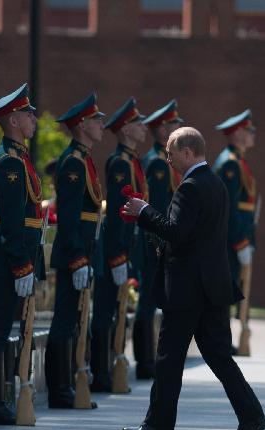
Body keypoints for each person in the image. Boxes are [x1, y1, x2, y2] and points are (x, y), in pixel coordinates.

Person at [120, 127, 265, 430]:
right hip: (212, 285)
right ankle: (251, 415)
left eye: (171, 153)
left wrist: (143, 211)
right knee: (217, 355)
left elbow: (176, 232)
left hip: (187, 288)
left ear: (188, 152)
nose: (168, 159)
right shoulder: (215, 183)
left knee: (169, 356)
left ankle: (159, 422)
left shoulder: (190, 187)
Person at [0, 83, 42, 425]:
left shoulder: (19, 157)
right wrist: (21, 265)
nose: (34, 118)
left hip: (16, 255)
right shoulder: (9, 162)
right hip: (8, 256)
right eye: (28, 113)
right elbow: (14, 220)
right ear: (15, 120)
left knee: (6, 328)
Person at [47, 92, 104, 409]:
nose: (101, 125)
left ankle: (68, 383)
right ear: (82, 125)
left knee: (75, 319)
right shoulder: (72, 162)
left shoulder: (82, 159)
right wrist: (78, 258)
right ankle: (60, 388)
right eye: (96, 120)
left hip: (83, 248)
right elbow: (68, 217)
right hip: (74, 252)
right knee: (65, 320)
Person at [92, 97, 146, 393]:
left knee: (115, 311)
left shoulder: (131, 161)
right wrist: (117, 257)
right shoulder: (120, 163)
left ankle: (109, 368)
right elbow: (118, 212)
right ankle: (100, 373)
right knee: (104, 312)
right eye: (137, 124)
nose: (143, 128)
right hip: (117, 248)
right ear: (125, 130)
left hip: (128, 246)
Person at [135, 99, 184, 380]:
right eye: (175, 125)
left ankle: (148, 358)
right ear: (164, 129)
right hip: (154, 242)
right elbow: (157, 208)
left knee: (153, 299)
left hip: (159, 239)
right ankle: (144, 360)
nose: (178, 128)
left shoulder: (163, 161)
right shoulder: (157, 163)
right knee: (148, 299)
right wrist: (160, 242)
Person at [213, 109, 258, 336]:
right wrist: (240, 242)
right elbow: (229, 208)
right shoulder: (230, 164)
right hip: (230, 239)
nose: (253, 134)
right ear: (238, 133)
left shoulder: (238, 161)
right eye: (249, 130)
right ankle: (219, 337)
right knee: (225, 290)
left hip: (238, 236)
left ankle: (223, 337)